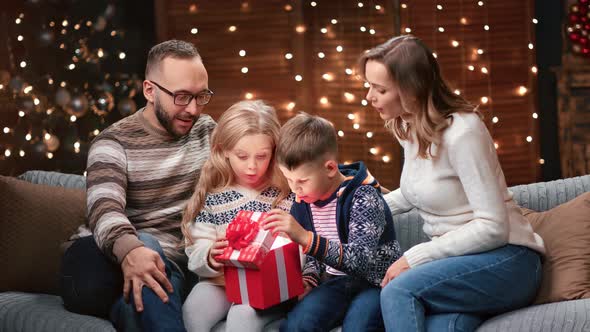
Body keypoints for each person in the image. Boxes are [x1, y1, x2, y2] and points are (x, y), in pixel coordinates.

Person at [358, 35, 546, 332]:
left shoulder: (463, 132)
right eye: (369, 85)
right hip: (462, 265)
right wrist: (358, 210)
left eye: (380, 89)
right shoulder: (407, 125)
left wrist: (413, 258)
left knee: (398, 291)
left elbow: (493, 227)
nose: (369, 96)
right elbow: (416, 193)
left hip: (509, 261)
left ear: (411, 90)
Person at [59, 39, 216, 332]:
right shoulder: (114, 142)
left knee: (142, 299)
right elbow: (104, 208)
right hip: (98, 262)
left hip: (171, 269)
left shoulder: (207, 133)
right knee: (146, 244)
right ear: (150, 90)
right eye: (181, 97)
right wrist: (132, 250)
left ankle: (129, 313)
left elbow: (258, 161)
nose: (193, 109)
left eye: (201, 96)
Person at [261, 113, 402, 332]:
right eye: (289, 179)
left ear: (330, 168)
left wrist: (305, 238)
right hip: (335, 283)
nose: (295, 189)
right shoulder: (304, 199)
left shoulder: (363, 196)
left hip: (375, 282)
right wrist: (309, 278)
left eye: (302, 181)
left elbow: (360, 262)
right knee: (296, 325)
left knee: (359, 326)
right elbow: (313, 256)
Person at [180, 99, 293, 332]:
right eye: (242, 156)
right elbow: (195, 251)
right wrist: (210, 255)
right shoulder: (214, 197)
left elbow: (300, 246)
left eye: (262, 156)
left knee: (241, 315)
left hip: (270, 287)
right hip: (221, 282)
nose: (252, 166)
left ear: (274, 152)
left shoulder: (285, 195)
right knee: (194, 308)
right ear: (224, 151)